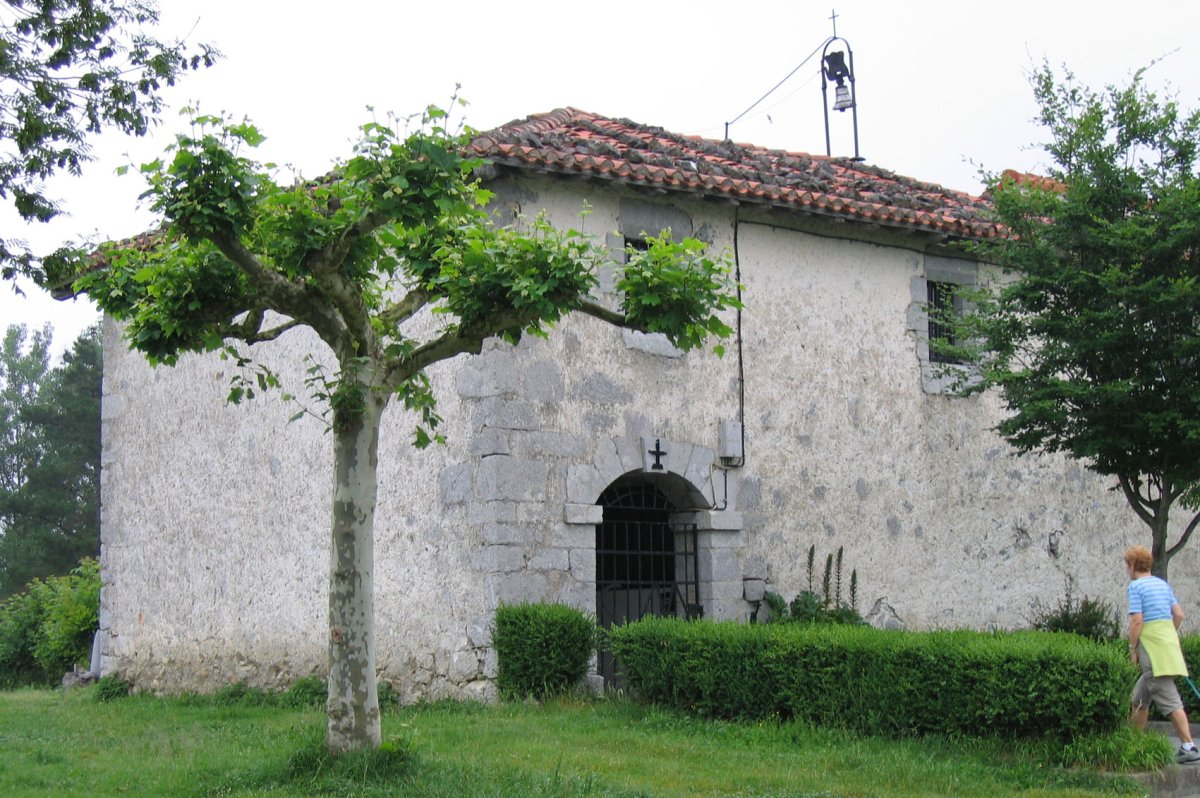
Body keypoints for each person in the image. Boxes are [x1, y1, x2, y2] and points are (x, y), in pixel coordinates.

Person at [1124, 544, 1200, 764]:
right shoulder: (1162, 585)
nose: (1127, 570)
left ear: (1132, 565)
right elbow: (1179, 615)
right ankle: (1135, 743)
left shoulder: (1136, 587)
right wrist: (1166, 633)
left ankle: (1189, 746)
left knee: (1168, 699)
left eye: (1127, 565)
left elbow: (1137, 620)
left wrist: (1132, 648)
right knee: (1139, 698)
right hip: (1167, 646)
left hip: (1152, 650)